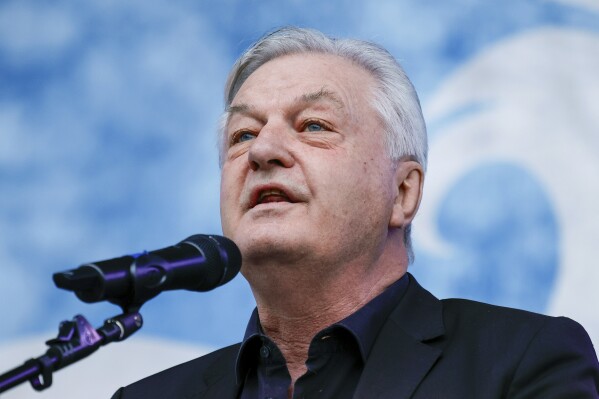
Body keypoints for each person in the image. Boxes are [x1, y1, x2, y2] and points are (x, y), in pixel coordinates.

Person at [112, 27, 599, 398]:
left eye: (314, 125)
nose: (263, 151)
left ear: (403, 193)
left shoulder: (522, 361)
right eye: (243, 135)